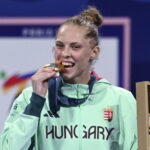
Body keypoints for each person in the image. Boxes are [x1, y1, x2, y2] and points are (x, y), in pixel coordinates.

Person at [0, 6, 138, 150]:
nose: (65, 53)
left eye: (75, 47)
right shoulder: (29, 98)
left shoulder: (121, 99)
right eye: (60, 46)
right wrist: (36, 102)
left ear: (94, 52)